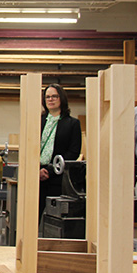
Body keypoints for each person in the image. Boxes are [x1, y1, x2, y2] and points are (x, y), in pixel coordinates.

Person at [38, 84, 81, 218]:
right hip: (37, 175)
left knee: (55, 219)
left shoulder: (72, 123)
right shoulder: (38, 121)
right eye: (47, 97)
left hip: (58, 177)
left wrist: (50, 171)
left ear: (61, 98)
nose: (50, 99)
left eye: (54, 96)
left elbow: (73, 152)